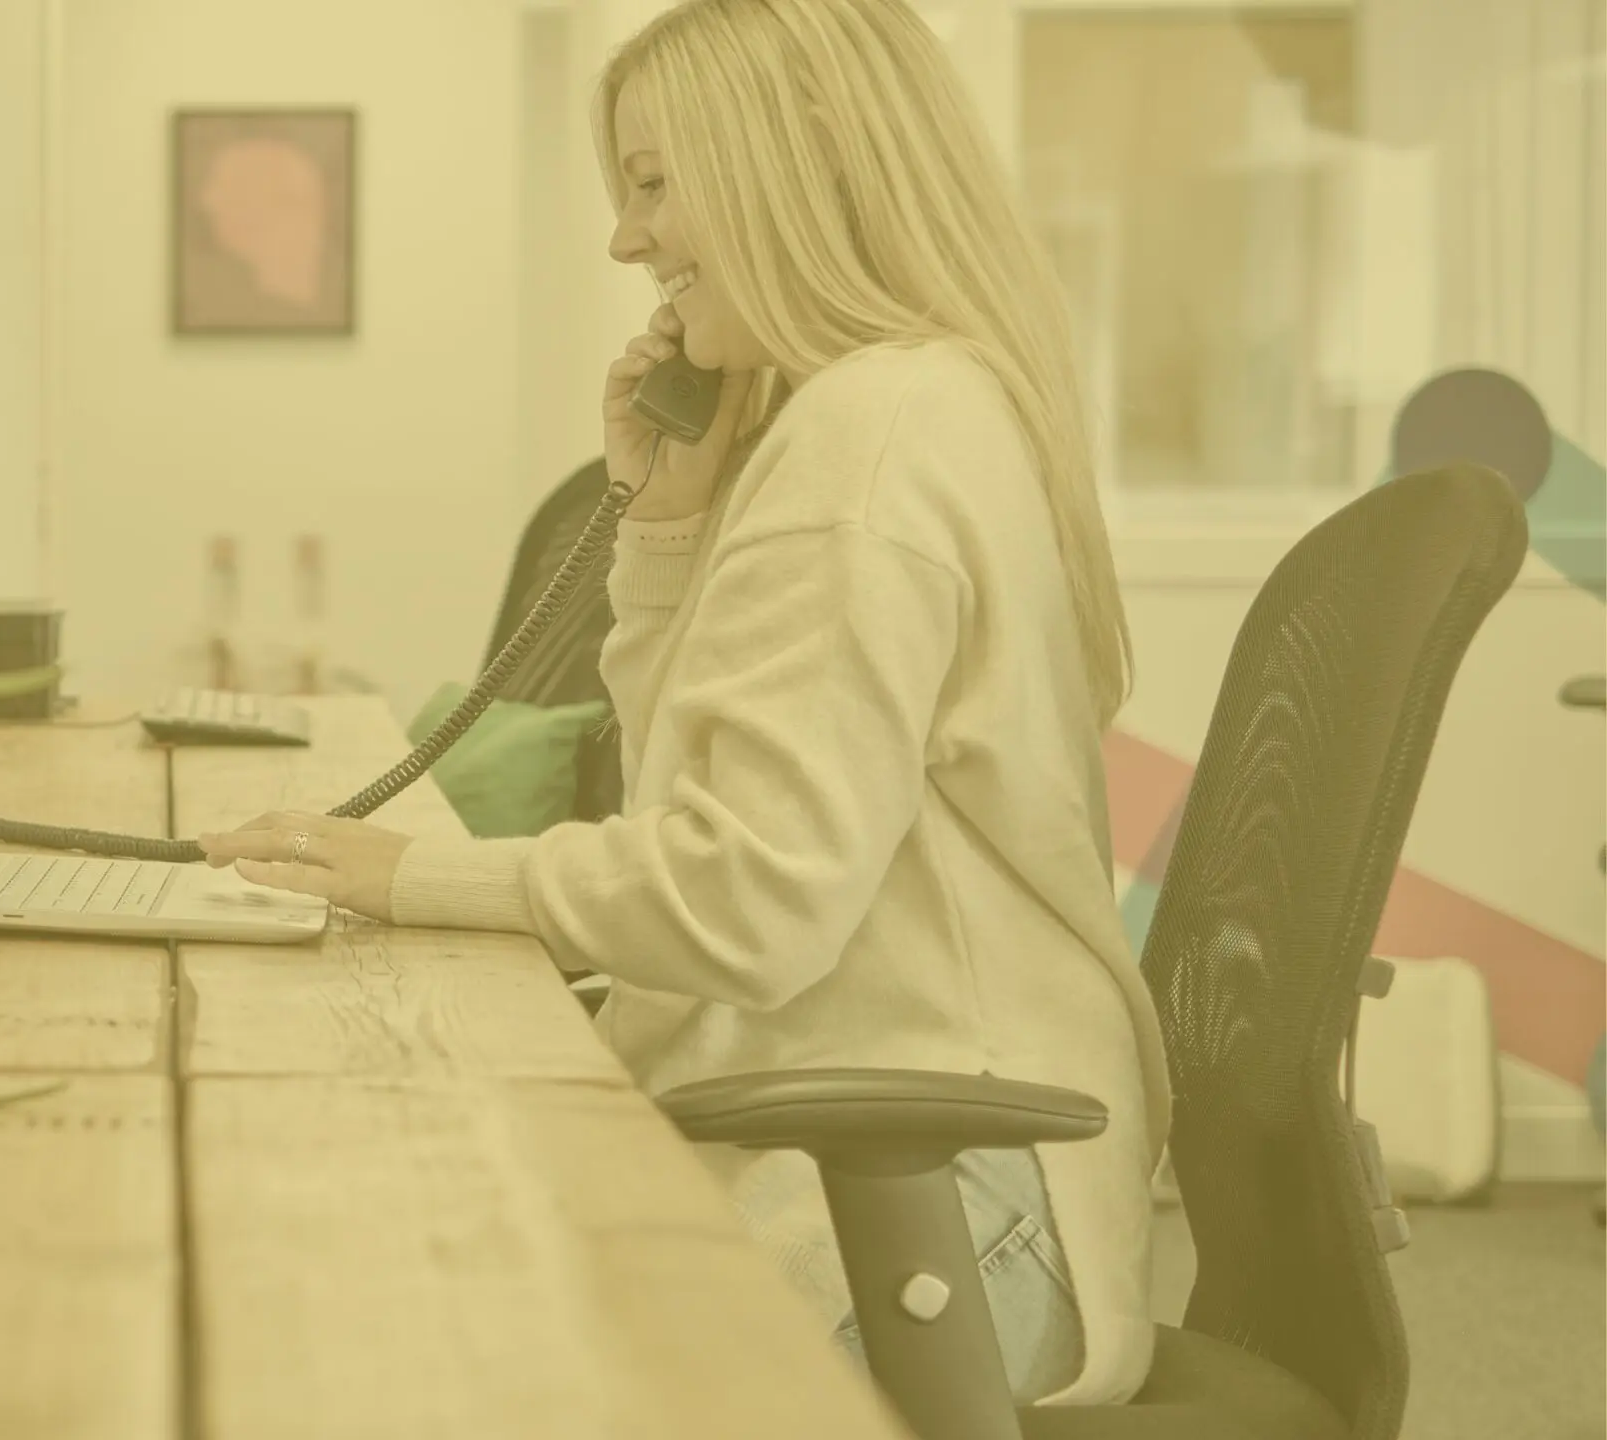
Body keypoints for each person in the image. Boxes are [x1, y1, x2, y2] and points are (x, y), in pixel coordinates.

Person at [197, 0, 1171, 1409]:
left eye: (653, 183)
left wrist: (416, 876)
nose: (625, 240)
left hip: (934, 1217)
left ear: (799, 155)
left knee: (395, 1345)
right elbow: (696, 816)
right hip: (946, 1180)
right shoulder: (901, 407)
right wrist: (666, 533)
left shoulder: (869, 440)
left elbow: (747, 904)